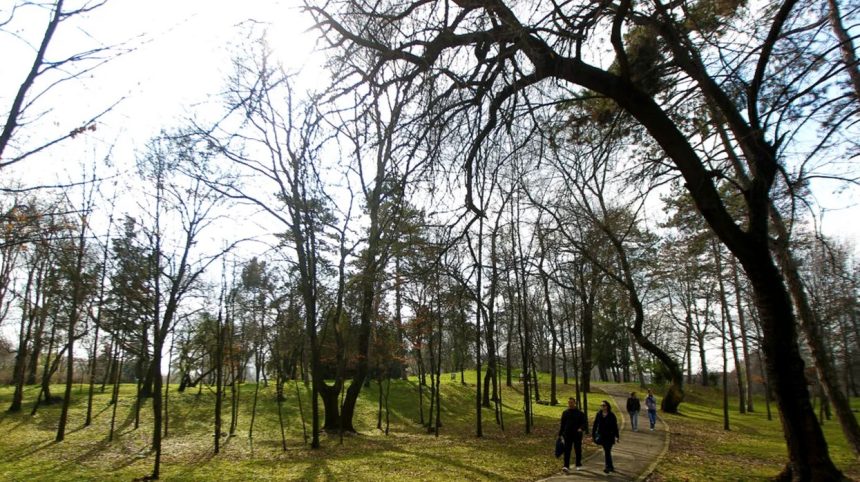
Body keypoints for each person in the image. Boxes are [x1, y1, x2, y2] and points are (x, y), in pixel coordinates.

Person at [557, 397, 588, 473]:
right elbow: (562, 424)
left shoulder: (580, 413)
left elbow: (585, 423)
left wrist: (581, 428)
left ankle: (578, 464)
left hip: (577, 435)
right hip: (567, 434)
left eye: (571, 402)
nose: (570, 404)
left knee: (577, 449)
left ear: (575, 403)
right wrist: (560, 434)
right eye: (569, 403)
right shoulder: (565, 413)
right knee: (567, 450)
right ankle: (566, 466)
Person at [592, 400, 620, 474]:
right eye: (601, 405)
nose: (602, 407)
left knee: (607, 451)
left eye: (604, 405)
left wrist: (617, 436)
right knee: (607, 451)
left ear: (607, 406)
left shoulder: (611, 415)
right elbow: (595, 424)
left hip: (610, 436)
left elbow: (615, 426)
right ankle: (611, 466)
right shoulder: (599, 414)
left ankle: (607, 467)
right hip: (602, 436)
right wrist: (593, 435)